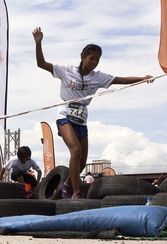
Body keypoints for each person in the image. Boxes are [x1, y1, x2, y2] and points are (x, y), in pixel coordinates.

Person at [33, 27, 153, 199]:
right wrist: (38, 43)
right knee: (75, 150)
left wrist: (143, 78)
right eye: (91, 59)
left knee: (82, 162)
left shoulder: (98, 77)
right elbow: (41, 64)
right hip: (65, 117)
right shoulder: (66, 70)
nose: (94, 62)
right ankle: (76, 192)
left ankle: (66, 185)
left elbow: (122, 79)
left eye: (97, 60)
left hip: (81, 120)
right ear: (83, 57)